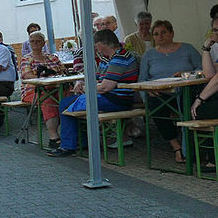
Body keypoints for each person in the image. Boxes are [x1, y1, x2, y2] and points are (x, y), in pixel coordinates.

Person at [49, 30, 138, 158]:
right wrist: (82, 83)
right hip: (107, 97)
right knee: (66, 103)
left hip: (117, 99)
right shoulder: (106, 58)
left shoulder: (120, 58)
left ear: (102, 44)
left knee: (67, 105)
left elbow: (106, 87)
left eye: (96, 45)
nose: (95, 48)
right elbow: (96, 79)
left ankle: (69, 146)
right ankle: (81, 142)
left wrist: (86, 88)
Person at [139, 20, 200, 163]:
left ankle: (192, 148)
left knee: (189, 108)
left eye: (163, 32)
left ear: (172, 33)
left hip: (185, 91)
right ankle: (176, 147)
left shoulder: (187, 49)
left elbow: (201, 69)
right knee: (155, 107)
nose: (160, 36)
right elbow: (142, 79)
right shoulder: (149, 55)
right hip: (160, 94)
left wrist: (187, 73)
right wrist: (147, 92)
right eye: (156, 34)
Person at [19, 31, 66, 146]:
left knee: (68, 98)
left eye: (37, 41)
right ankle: (53, 137)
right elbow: (26, 76)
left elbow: (63, 71)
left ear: (43, 43)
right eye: (32, 41)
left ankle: (70, 134)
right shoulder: (26, 59)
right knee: (48, 101)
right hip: (33, 90)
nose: (34, 43)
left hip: (55, 87)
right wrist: (44, 77)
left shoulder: (52, 58)